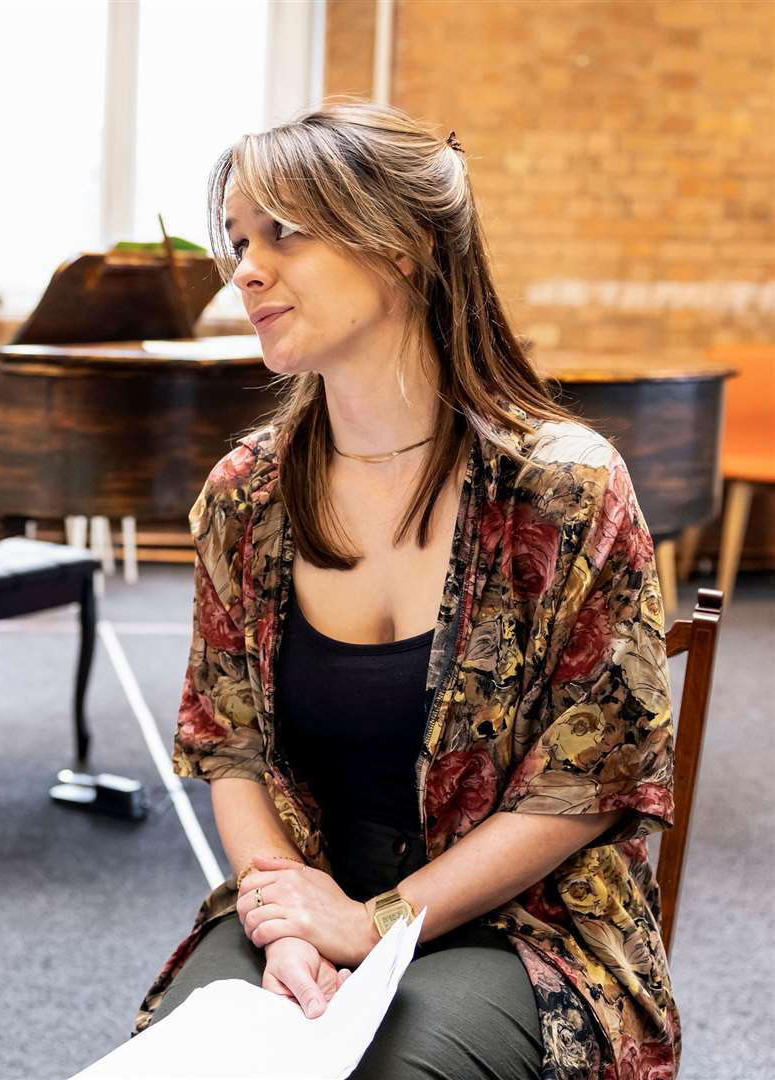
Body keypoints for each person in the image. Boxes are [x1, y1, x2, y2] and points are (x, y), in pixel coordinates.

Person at [135, 102, 678, 1080]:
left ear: (400, 247)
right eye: (238, 241)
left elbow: (584, 787)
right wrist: (290, 919)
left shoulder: (560, 487)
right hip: (309, 898)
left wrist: (372, 922)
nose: (243, 270)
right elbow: (232, 753)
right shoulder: (243, 495)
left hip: (529, 930)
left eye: (282, 234)